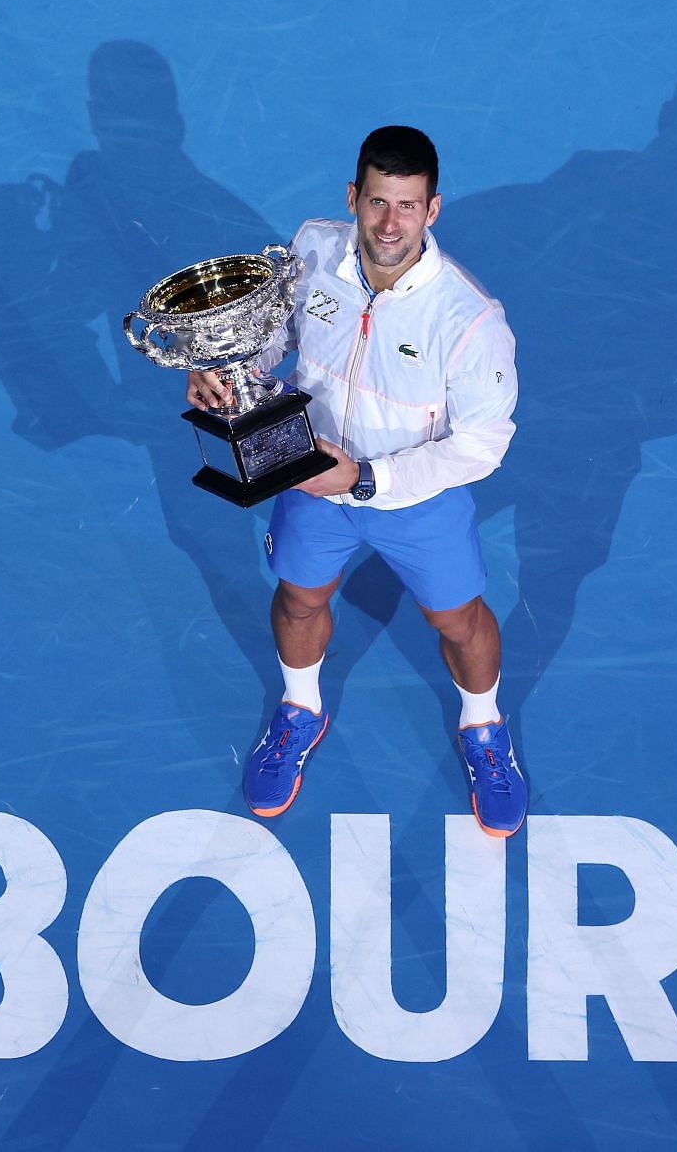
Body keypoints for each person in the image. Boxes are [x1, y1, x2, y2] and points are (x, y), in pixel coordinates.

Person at [186, 126, 525, 836]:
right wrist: (228, 367)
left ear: (433, 210)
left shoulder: (469, 321)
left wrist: (369, 476)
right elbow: (275, 338)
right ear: (354, 198)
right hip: (309, 478)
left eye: (407, 206)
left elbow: (484, 444)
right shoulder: (312, 247)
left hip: (415, 496)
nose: (389, 224)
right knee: (299, 600)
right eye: (376, 203)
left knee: (458, 621)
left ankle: (484, 726)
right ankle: (301, 706)